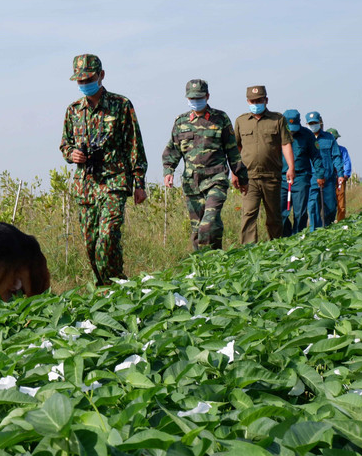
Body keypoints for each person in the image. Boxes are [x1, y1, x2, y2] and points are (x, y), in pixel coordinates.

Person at [60, 54, 148, 286]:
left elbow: (134, 146)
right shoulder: (73, 110)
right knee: (91, 243)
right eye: (79, 81)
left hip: (114, 182)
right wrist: (72, 154)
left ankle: (115, 285)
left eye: (88, 78)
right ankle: (108, 287)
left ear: (101, 75)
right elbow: (64, 144)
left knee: (107, 238)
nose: (84, 84)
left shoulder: (121, 105)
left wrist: (139, 184)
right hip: (85, 185)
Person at [162, 79, 248, 251]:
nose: (195, 101)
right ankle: (206, 266)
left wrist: (241, 177)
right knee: (197, 230)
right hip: (192, 183)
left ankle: (212, 260)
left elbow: (232, 150)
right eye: (192, 98)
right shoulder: (181, 122)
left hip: (215, 179)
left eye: (199, 97)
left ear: (207, 96)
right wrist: (168, 171)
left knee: (207, 224)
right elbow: (172, 150)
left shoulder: (220, 118)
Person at [232, 85, 295, 244]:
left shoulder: (278, 119)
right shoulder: (241, 121)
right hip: (249, 177)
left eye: (259, 100)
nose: (256, 103)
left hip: (271, 176)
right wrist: (234, 172)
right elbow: (236, 149)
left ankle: (276, 247)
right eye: (253, 100)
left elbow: (285, 144)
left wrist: (291, 167)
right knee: (248, 215)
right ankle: (249, 251)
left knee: (274, 215)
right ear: (247, 101)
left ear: (266, 100)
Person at [280, 110, 323, 236]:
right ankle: (285, 237)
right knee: (280, 213)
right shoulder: (277, 134)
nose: (293, 131)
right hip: (281, 178)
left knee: (300, 212)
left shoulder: (307, 135)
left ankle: (298, 237)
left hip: (301, 177)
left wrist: (320, 175)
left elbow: (316, 156)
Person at [305, 112, 344, 230]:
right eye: (311, 123)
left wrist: (340, 174)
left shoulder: (329, 137)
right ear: (307, 124)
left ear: (320, 122)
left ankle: (328, 227)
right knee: (312, 206)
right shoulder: (305, 138)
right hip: (311, 178)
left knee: (331, 207)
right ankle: (314, 231)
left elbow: (336, 156)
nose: (313, 125)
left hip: (328, 179)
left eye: (315, 123)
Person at [327, 128, 352, 221]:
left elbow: (347, 162)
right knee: (328, 202)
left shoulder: (342, 150)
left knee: (340, 202)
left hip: (339, 179)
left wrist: (345, 175)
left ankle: (341, 221)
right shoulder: (324, 150)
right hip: (327, 179)